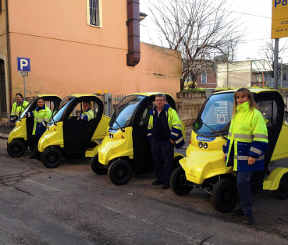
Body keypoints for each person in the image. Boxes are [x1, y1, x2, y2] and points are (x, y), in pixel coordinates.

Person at [223, 88, 268, 225]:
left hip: (248, 157)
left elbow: (261, 137)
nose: (240, 100)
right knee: (242, 184)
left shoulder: (255, 114)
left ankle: (249, 215)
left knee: (242, 183)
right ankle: (243, 209)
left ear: (249, 99)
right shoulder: (236, 115)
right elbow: (231, 136)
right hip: (238, 157)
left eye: (243, 97)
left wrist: (253, 154)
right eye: (237, 97)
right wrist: (226, 150)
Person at [147, 94, 184, 189]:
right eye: (157, 100)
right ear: (155, 102)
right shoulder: (153, 112)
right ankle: (159, 179)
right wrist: (151, 137)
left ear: (165, 101)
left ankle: (167, 182)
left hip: (166, 141)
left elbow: (177, 125)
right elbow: (150, 126)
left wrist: (172, 138)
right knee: (157, 160)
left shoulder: (171, 112)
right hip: (155, 141)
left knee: (167, 161)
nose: (159, 102)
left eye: (161, 100)